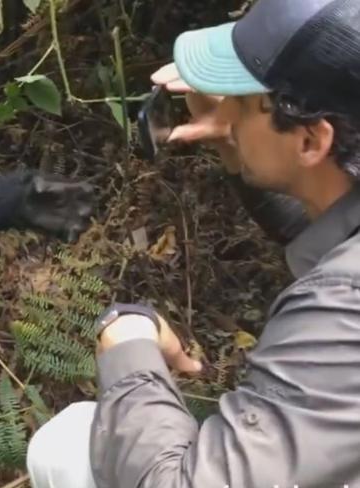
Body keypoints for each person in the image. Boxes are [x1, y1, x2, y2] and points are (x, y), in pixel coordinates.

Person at [26, 0, 360, 486]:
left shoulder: (343, 308)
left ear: (310, 141)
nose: (225, 111)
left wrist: (128, 344)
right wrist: (236, 142)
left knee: (67, 447)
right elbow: (327, 235)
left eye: (242, 104)